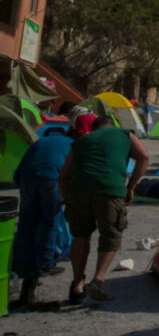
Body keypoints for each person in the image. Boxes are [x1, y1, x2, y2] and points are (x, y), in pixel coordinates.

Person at [59, 116, 149, 303]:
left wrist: (68, 199)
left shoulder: (82, 140)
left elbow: (63, 176)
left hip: (79, 190)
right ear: (113, 126)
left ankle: (77, 283)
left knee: (80, 235)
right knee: (110, 235)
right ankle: (98, 279)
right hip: (110, 190)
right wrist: (130, 187)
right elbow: (144, 157)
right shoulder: (125, 134)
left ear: (94, 128)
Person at [12, 124, 73, 306]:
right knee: (50, 221)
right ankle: (44, 263)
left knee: (26, 223)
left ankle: (22, 264)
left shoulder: (37, 143)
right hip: (53, 180)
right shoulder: (70, 143)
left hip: (29, 180)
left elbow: (17, 174)